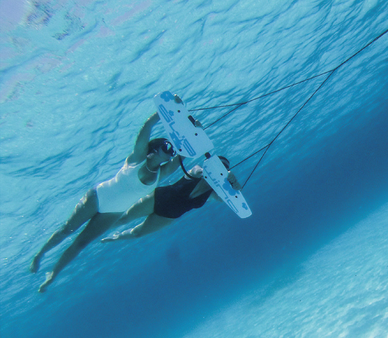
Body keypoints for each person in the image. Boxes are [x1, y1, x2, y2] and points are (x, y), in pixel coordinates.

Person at [30, 112, 181, 292]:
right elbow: (147, 125)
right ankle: (40, 254)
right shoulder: (138, 157)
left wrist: (192, 130)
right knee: (67, 230)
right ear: (154, 149)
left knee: (81, 243)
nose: (171, 152)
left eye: (172, 150)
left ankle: (53, 274)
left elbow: (184, 155)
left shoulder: (161, 174)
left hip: (114, 212)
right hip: (98, 197)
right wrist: (166, 113)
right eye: (167, 147)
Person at [100, 156, 241, 243]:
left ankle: (116, 237)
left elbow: (228, 199)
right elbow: (198, 171)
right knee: (124, 219)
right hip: (158, 198)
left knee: (137, 233)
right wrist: (212, 172)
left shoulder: (213, 192)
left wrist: (235, 184)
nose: (221, 169)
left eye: (224, 168)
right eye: (219, 165)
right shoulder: (197, 170)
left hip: (169, 215)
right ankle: (95, 229)